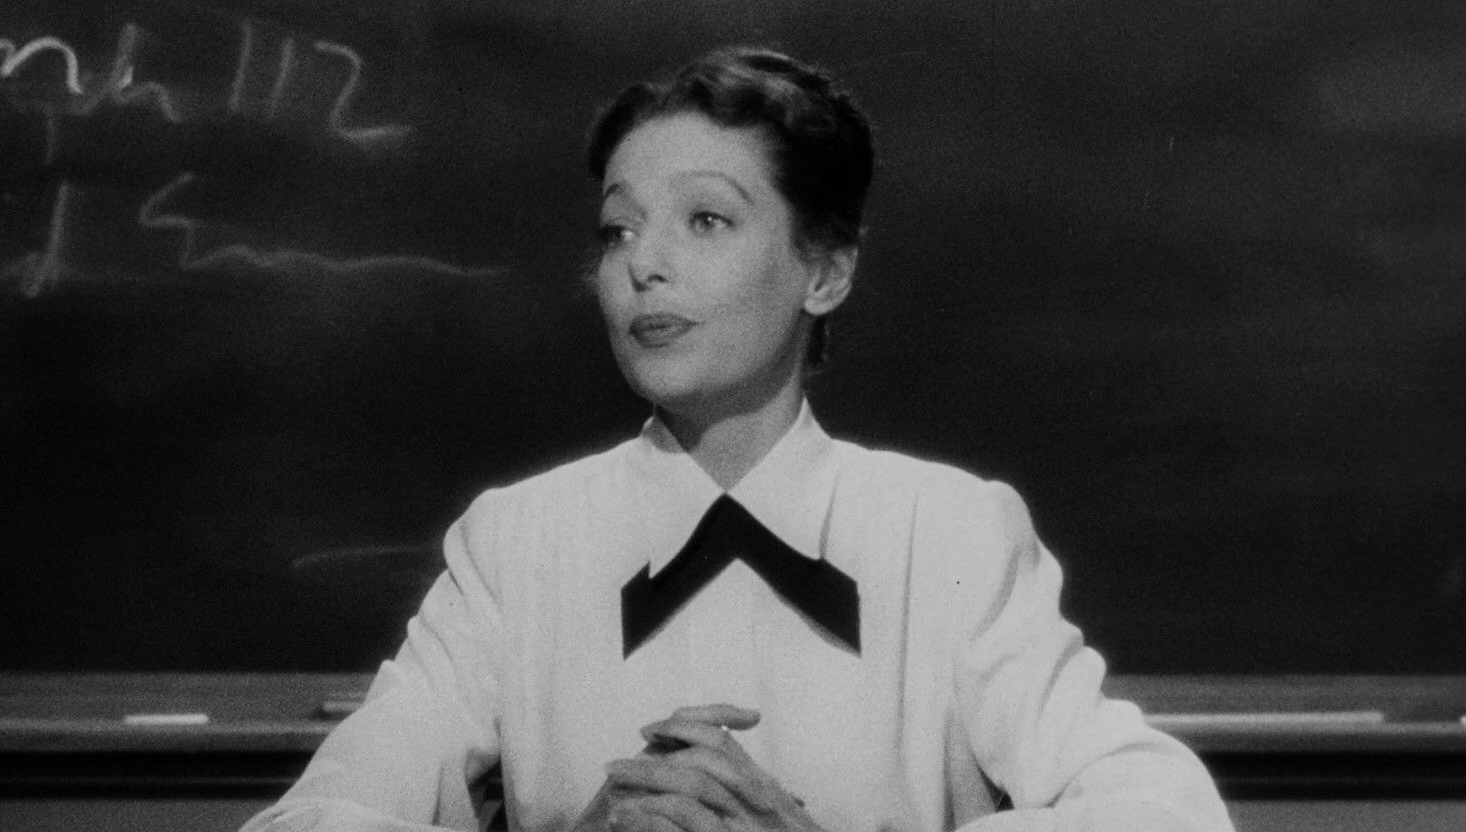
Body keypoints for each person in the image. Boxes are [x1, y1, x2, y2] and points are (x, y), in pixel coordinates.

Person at [241, 46, 1234, 832]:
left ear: (825, 272)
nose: (645, 265)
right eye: (618, 230)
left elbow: (1168, 813)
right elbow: (305, 822)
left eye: (706, 219)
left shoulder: (950, 531)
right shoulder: (516, 541)